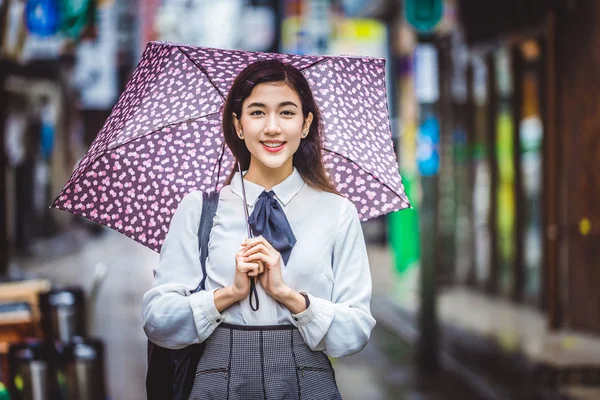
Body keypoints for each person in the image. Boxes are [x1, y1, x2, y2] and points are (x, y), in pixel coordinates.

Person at [142, 59, 375, 399]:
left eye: (286, 112)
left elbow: (356, 331)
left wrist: (289, 296)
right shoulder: (199, 209)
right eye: (256, 112)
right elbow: (157, 321)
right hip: (217, 377)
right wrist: (228, 294)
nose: (272, 128)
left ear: (306, 124)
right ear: (237, 125)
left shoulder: (337, 212)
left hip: (306, 379)